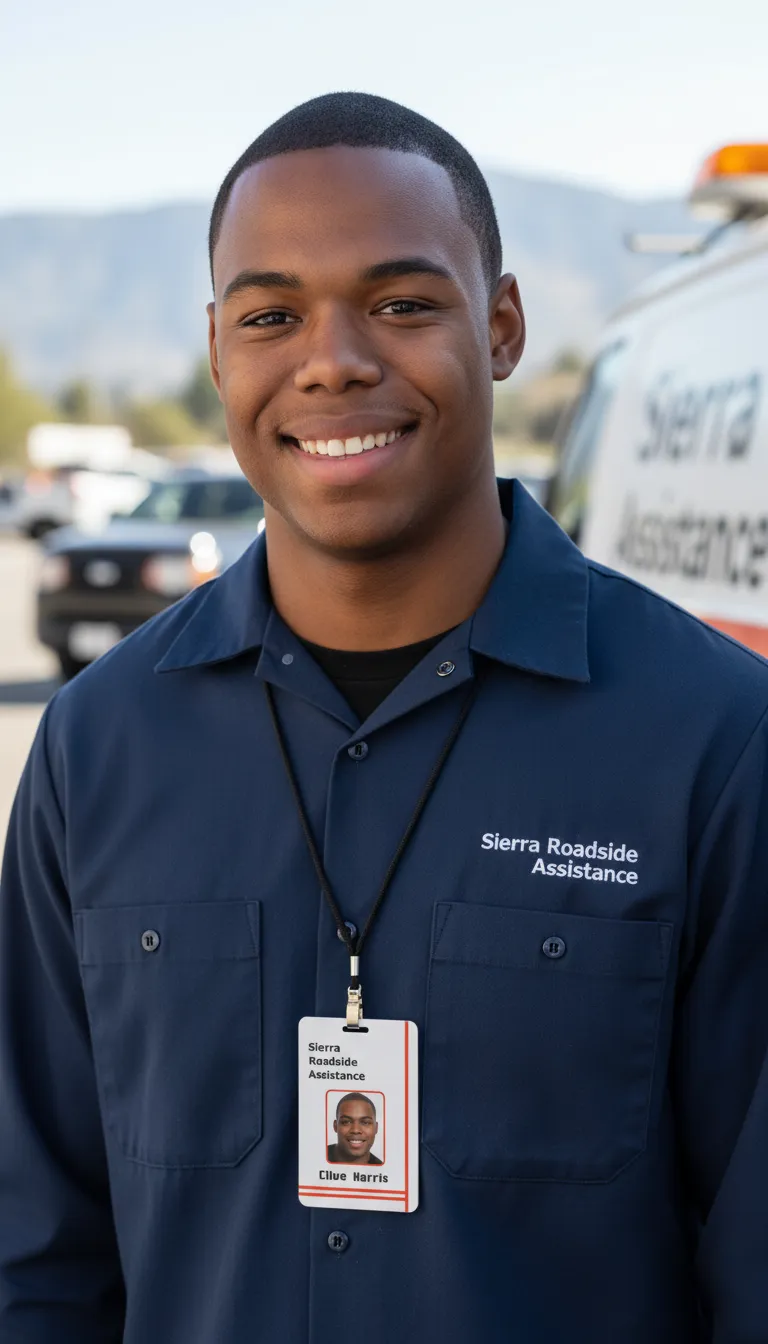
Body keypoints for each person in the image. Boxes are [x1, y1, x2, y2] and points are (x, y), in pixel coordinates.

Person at [0, 92, 767, 1344]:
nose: (334, 358)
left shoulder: (721, 747)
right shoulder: (96, 751)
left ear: (502, 325)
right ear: (216, 351)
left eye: (403, 304)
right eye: (271, 315)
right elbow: (35, 1251)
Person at [327, 1093, 383, 1164]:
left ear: (376, 1128)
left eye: (365, 1122)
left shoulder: (384, 1171)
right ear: (335, 1126)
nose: (355, 1130)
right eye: (346, 1122)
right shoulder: (315, 1156)